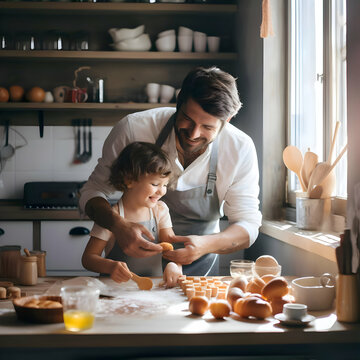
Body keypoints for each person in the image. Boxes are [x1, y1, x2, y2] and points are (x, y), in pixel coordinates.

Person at [80, 66, 262, 276]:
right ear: (178, 102)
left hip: (199, 275)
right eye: (188, 119)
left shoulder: (239, 148)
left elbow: (247, 223)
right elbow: (92, 191)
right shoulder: (134, 128)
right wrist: (118, 225)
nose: (194, 134)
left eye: (208, 127)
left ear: (226, 121)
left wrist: (205, 245)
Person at [81, 141, 182, 288]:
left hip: (154, 288)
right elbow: (88, 259)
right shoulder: (111, 216)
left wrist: (174, 265)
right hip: (115, 290)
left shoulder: (160, 210)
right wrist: (110, 267)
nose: (161, 191)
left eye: (164, 185)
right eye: (155, 184)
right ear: (129, 180)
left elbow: (170, 249)